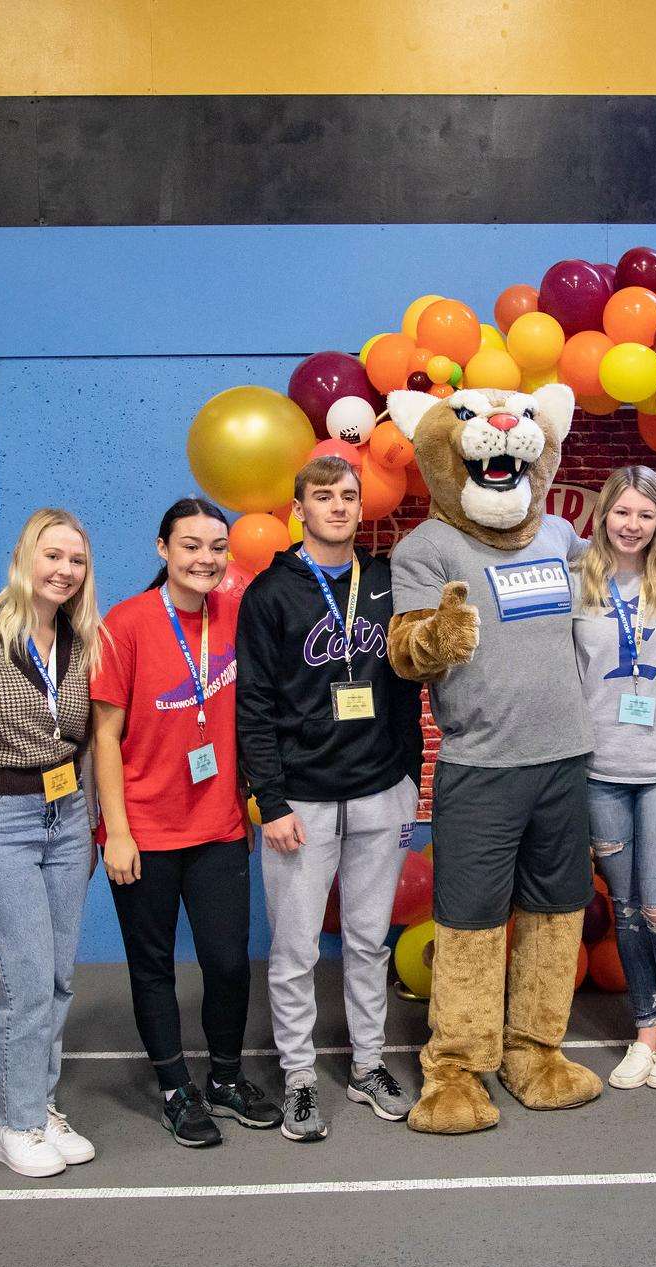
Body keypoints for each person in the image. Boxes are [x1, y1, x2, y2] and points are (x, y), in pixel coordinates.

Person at [237, 455, 423, 1141]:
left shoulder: (384, 581)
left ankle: (367, 1064)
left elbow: (406, 684)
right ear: (300, 507)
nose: (339, 506)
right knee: (294, 950)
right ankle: (299, 1078)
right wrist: (271, 799)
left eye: (348, 495)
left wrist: (410, 776)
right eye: (325, 496)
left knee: (370, 941)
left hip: (380, 790)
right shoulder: (271, 593)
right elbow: (253, 704)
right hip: (302, 801)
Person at [91, 497, 280, 1147]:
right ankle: (176, 1088)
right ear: (162, 549)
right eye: (191, 545)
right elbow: (104, 736)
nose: (205, 558)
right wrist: (115, 830)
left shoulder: (236, 614)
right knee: (153, 968)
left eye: (216, 546)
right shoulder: (128, 622)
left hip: (219, 823)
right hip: (142, 830)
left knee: (229, 962)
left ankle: (225, 1077)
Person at [0, 508, 100, 1176]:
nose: (64, 570)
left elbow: (92, 738)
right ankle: (11, 1123)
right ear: (23, 557)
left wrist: (95, 823)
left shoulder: (83, 637)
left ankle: (40, 1108)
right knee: (25, 978)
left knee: (59, 973)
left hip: (67, 815)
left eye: (75, 560)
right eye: (52, 555)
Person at [571, 467, 656, 1091]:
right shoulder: (579, 583)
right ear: (604, 516)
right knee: (624, 909)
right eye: (622, 513)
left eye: (645, 516)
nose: (632, 526)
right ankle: (645, 1030)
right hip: (602, 768)